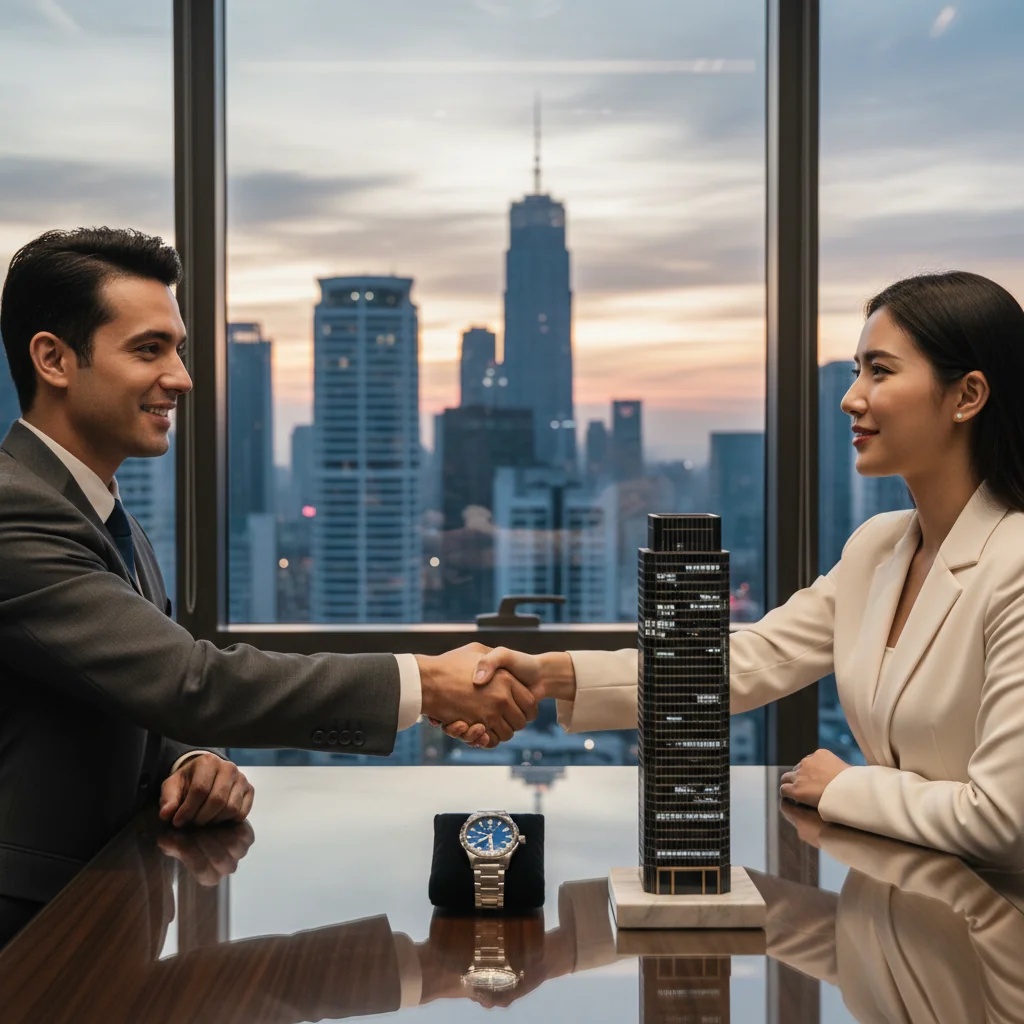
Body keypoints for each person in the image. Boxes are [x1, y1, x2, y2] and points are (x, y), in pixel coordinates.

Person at [0, 227, 536, 928]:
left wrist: (190, 755)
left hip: (106, 910)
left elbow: (122, 684)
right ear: (54, 359)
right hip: (29, 933)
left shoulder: (102, 512)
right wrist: (425, 683)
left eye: (178, 350)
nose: (182, 378)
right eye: (147, 349)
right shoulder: (18, 512)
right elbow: (186, 681)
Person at [451, 271, 1024, 870]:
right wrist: (549, 675)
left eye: (880, 371)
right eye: (857, 371)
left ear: (967, 396)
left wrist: (844, 787)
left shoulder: (1013, 569)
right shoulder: (878, 549)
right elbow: (745, 661)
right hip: (900, 912)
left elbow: (1002, 822)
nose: (851, 397)